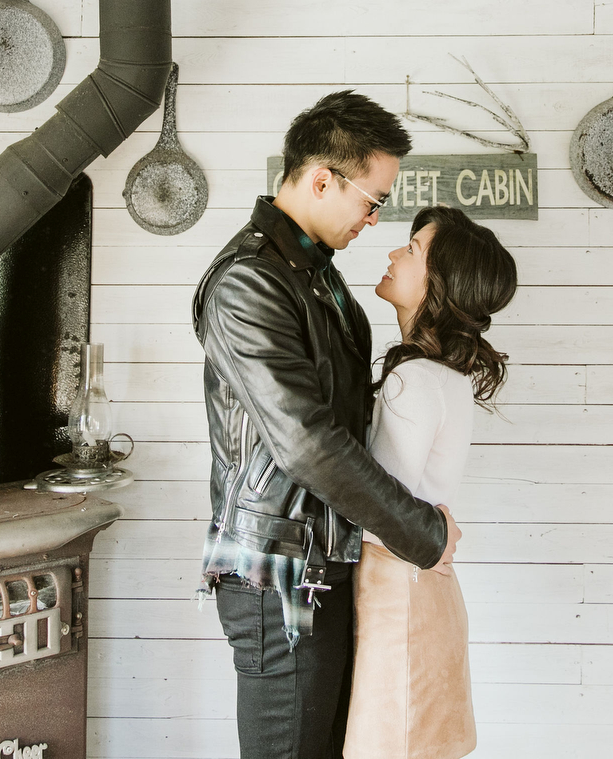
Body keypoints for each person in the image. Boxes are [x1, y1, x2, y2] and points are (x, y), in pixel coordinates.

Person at [195, 91, 463, 759]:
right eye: (373, 201)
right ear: (322, 179)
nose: (374, 221)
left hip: (322, 562)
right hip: (277, 574)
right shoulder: (248, 282)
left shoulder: (317, 276)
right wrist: (425, 534)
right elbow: (307, 442)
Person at [344, 205, 515, 759]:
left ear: (438, 287)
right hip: (424, 595)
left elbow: (377, 513)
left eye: (412, 249)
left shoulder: (413, 379)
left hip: (401, 601)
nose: (395, 253)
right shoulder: (445, 376)